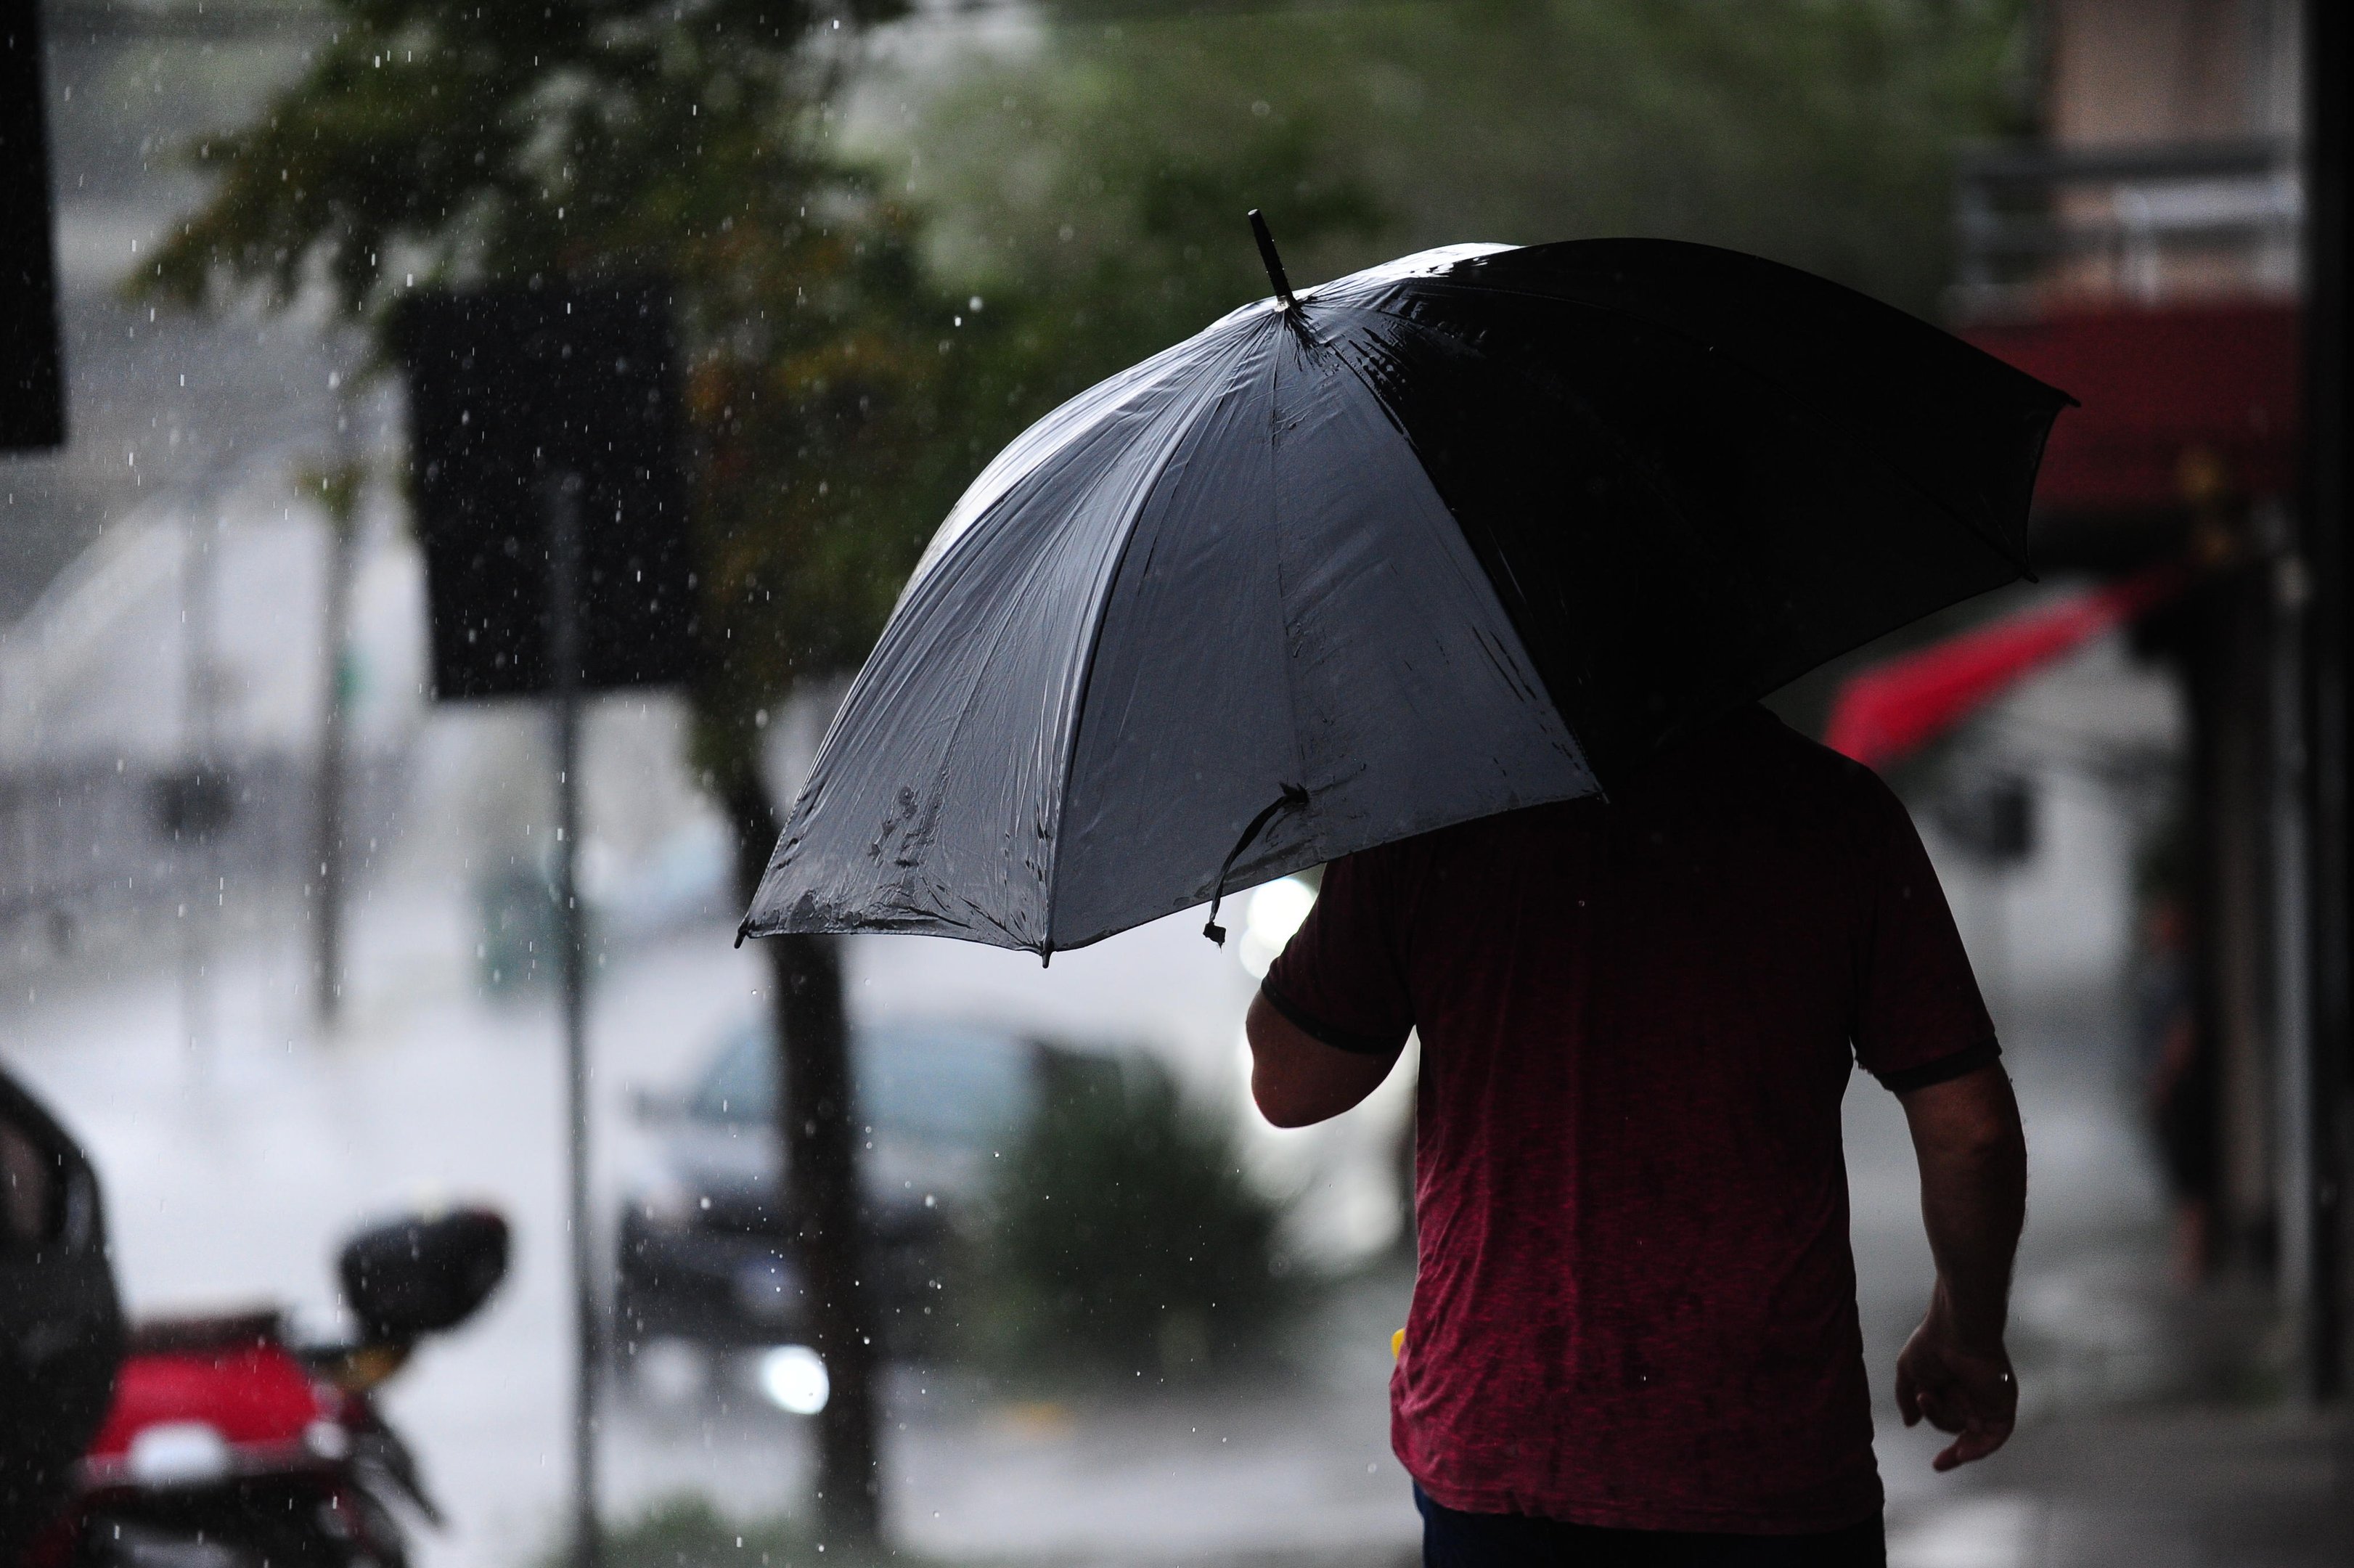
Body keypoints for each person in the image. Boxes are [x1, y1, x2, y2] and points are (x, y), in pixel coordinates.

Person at [1246, 703, 2026, 1567]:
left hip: (1509, 1448)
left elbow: (1289, 1085)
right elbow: (1973, 1132)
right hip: (1771, 1451)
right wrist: (1967, 1328)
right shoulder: (1837, 811)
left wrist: (1356, 835)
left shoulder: (1434, 817)